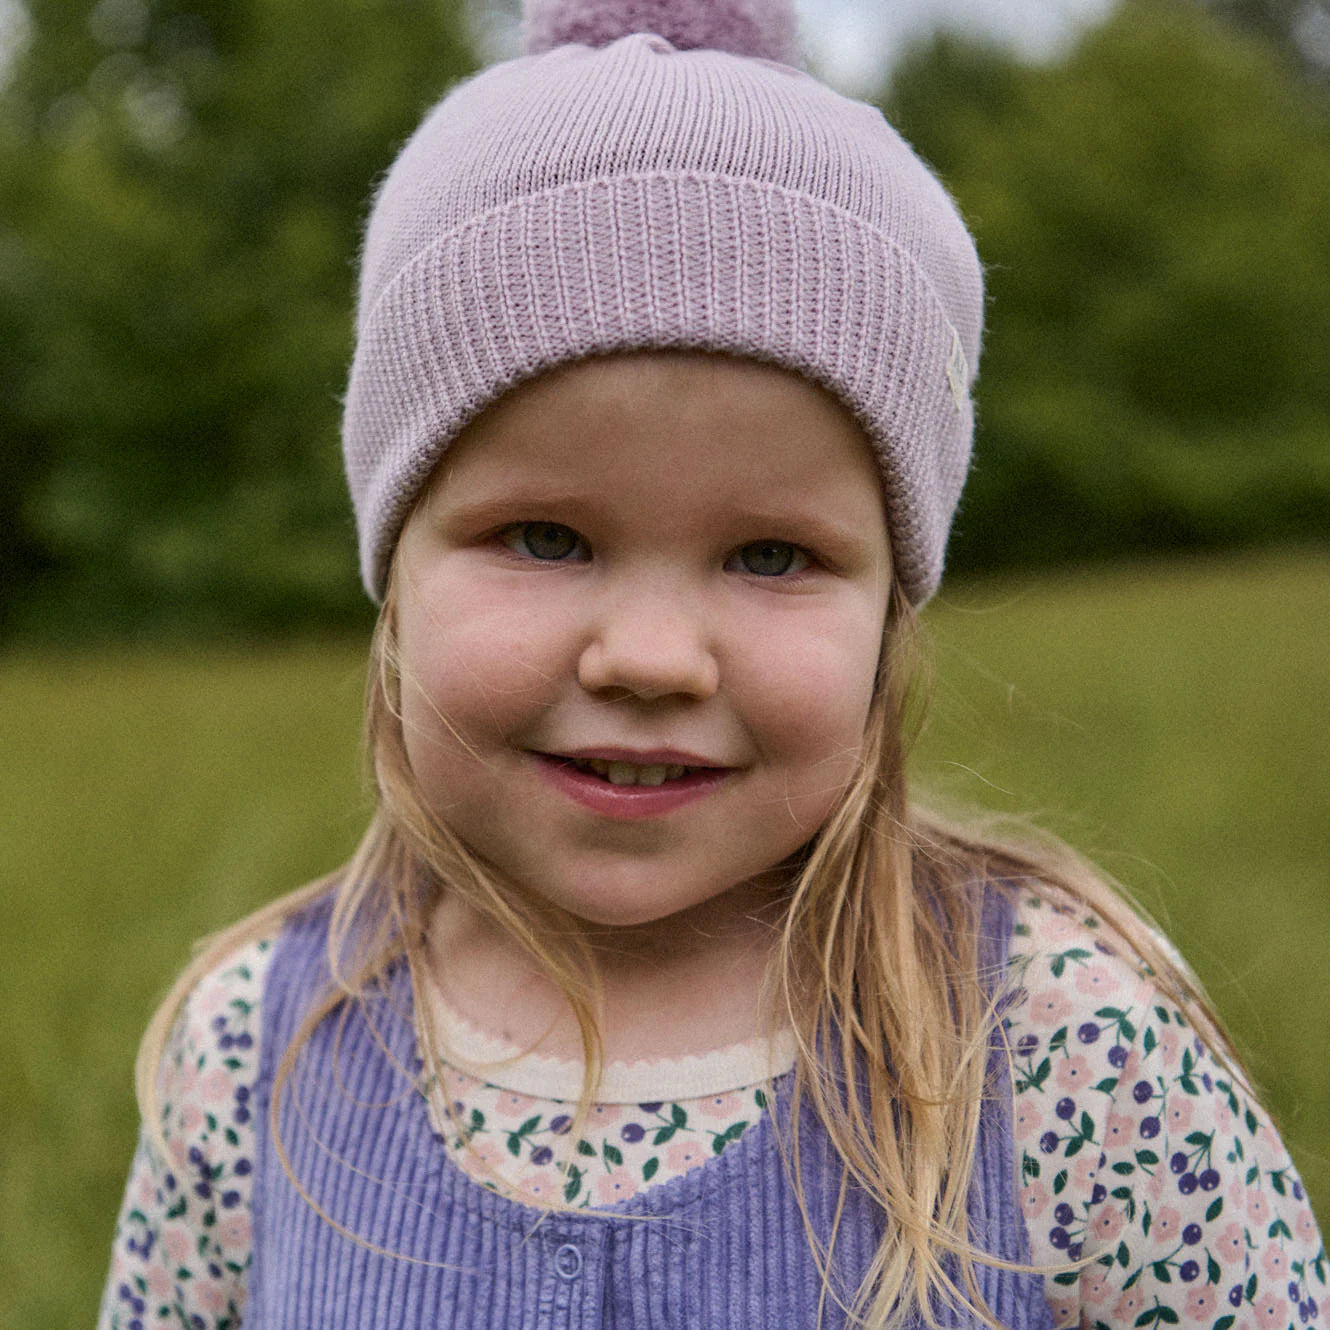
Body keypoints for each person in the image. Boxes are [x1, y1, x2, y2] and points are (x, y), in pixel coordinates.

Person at [97, 0, 1325, 1326]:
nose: (650, 658)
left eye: (770, 556)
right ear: (393, 578)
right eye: (545, 537)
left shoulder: (1062, 1045)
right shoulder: (254, 1053)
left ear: (891, 609)